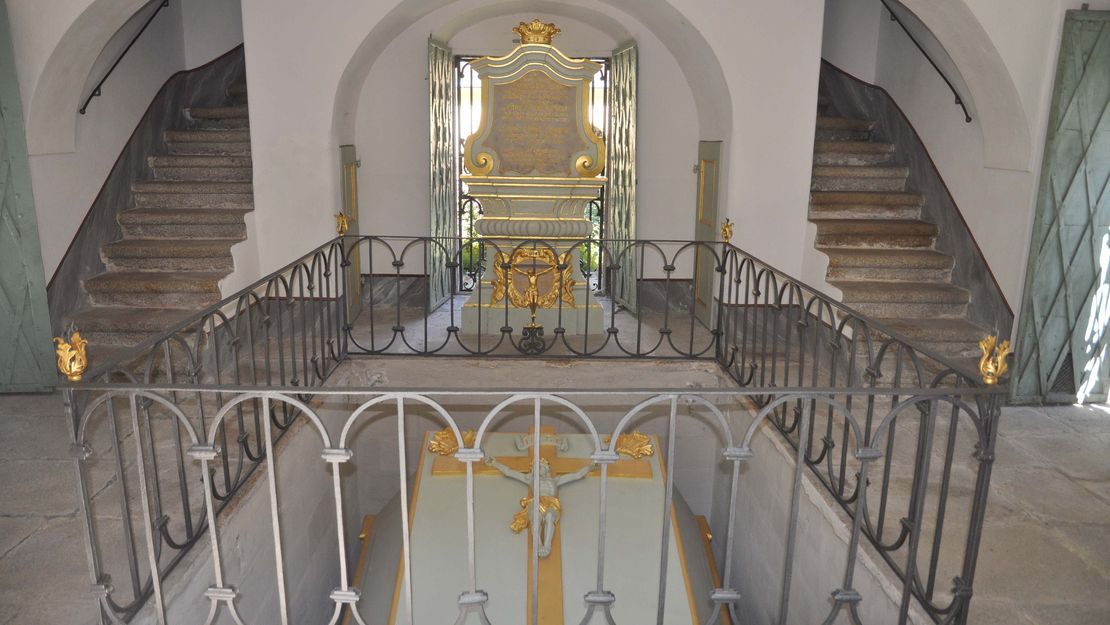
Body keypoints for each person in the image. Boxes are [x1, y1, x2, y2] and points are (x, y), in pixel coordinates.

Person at [483, 454, 594, 558]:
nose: (538, 470)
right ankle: (538, 545)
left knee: (550, 517)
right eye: (536, 468)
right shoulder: (531, 479)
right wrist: (494, 463)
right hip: (537, 501)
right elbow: (509, 472)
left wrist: (591, 466)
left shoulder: (555, 480)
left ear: (546, 468)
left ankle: (547, 545)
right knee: (536, 519)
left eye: (540, 467)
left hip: (551, 502)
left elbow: (577, 475)